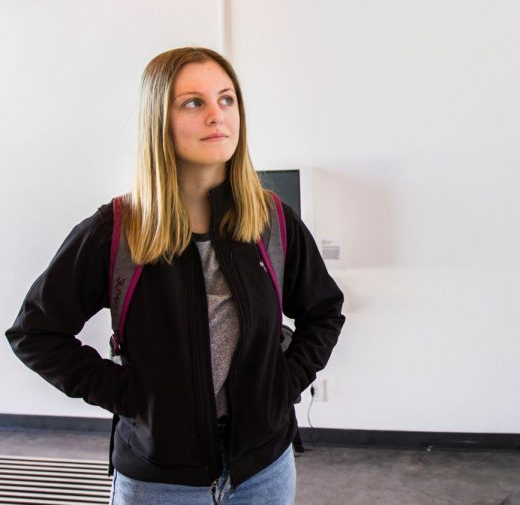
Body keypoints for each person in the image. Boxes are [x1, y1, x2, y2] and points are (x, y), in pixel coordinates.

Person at [6, 47, 345, 504]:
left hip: (263, 471)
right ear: (158, 120)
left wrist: (281, 385)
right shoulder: (117, 231)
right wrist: (130, 397)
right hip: (158, 481)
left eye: (226, 99)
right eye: (193, 102)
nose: (216, 115)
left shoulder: (270, 219)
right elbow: (35, 333)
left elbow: (324, 312)